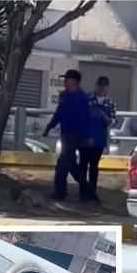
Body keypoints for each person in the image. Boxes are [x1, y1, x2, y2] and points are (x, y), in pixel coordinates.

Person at [42, 69, 92, 202]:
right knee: (63, 163)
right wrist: (50, 126)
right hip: (65, 133)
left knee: (68, 162)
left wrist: (88, 136)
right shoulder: (64, 95)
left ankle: (86, 188)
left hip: (75, 134)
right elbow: (59, 113)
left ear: (74, 81)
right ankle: (61, 191)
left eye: (66, 79)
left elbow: (87, 118)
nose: (64, 82)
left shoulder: (82, 98)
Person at [82, 76, 117, 203]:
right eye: (99, 85)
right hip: (85, 138)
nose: (101, 88)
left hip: (99, 139)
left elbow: (113, 120)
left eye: (104, 86)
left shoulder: (110, 103)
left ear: (107, 87)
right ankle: (83, 192)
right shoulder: (88, 99)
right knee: (83, 165)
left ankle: (92, 191)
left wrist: (107, 119)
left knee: (94, 166)